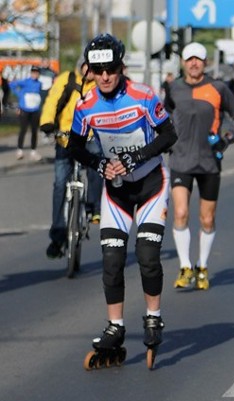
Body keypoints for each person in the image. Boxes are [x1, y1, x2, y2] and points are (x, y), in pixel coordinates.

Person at [67, 33, 178, 363]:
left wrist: (135, 158)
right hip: (116, 191)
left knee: (147, 256)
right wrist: (98, 162)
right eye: (97, 70)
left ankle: (153, 317)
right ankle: (115, 326)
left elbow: (169, 134)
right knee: (112, 263)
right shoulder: (86, 105)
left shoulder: (142, 95)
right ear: (89, 70)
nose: (104, 76)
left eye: (111, 69)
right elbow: (74, 146)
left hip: (151, 185)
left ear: (121, 67)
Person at [164, 42, 234, 291]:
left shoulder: (217, 87)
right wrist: (163, 140)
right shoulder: (174, 88)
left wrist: (226, 139)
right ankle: (185, 266)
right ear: (183, 63)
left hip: (210, 161)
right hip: (180, 160)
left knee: (207, 219)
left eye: (198, 59)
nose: (194, 63)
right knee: (180, 214)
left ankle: (202, 265)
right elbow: (161, 116)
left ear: (205, 62)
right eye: (189, 59)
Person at [39, 58, 102, 259]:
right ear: (81, 66)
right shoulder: (67, 79)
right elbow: (52, 100)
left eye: (95, 67)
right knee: (59, 183)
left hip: (91, 136)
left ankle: (94, 207)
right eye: (87, 66)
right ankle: (58, 233)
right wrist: (47, 122)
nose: (90, 71)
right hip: (65, 137)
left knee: (96, 165)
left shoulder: (100, 86)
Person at [10, 66, 43, 161]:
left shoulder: (39, 84)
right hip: (25, 110)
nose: (35, 74)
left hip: (35, 110)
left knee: (34, 131)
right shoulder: (26, 81)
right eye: (33, 72)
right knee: (23, 130)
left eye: (36, 72)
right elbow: (12, 85)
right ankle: (19, 150)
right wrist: (20, 95)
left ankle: (33, 151)